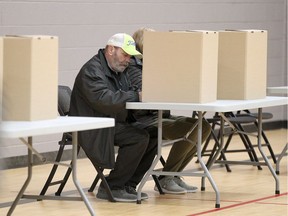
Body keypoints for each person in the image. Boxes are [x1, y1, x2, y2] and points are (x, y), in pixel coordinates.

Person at [69, 33, 158, 202]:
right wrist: (136, 96)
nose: (128, 60)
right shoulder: (92, 70)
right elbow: (104, 100)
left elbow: (128, 91)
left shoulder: (118, 69)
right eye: (125, 54)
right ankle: (112, 186)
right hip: (92, 125)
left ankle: (128, 184)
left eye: (131, 56)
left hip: (112, 121)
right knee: (138, 137)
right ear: (111, 50)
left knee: (154, 133)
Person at [126, 27, 212, 194]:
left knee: (204, 126)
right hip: (145, 120)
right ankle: (167, 176)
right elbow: (150, 92)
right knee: (190, 129)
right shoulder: (135, 67)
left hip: (161, 114)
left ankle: (172, 174)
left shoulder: (154, 64)